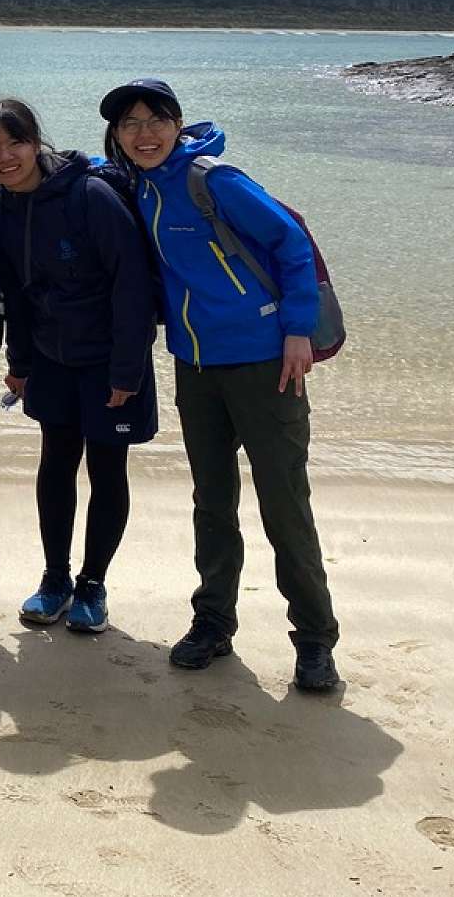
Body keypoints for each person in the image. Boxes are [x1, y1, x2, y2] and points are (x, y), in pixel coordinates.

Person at [100, 77, 341, 693]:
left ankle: (315, 639)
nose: (144, 134)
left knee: (284, 504)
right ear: (117, 136)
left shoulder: (214, 180)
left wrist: (297, 330)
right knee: (212, 502)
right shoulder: (139, 185)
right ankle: (213, 622)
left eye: (156, 120)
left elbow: (289, 242)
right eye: (130, 124)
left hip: (266, 364)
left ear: (177, 124)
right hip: (196, 367)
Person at [0, 98, 157, 638]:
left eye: (16, 142)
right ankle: (55, 579)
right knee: (55, 464)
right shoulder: (0, 210)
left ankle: (92, 585)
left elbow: (132, 285)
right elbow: (14, 294)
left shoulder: (90, 195)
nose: (5, 156)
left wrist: (126, 371)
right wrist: (19, 363)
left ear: (36, 142)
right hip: (51, 359)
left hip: (108, 360)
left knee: (107, 468)